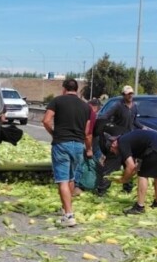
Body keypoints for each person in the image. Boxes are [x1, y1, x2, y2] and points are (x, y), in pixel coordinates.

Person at [42, 78, 91, 227]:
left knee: (62, 179)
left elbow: (46, 120)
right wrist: (88, 148)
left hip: (62, 144)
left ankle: (69, 215)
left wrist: (54, 134)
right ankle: (65, 209)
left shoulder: (57, 101)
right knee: (71, 178)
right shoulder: (86, 107)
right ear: (76, 89)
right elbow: (87, 132)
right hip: (78, 145)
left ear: (64, 88)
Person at [102, 129, 157, 214]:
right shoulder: (128, 139)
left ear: (113, 144)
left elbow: (130, 166)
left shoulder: (122, 142)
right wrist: (132, 172)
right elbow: (135, 165)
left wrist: (123, 179)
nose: (115, 153)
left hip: (156, 147)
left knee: (142, 175)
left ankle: (139, 207)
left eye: (112, 150)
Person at [94, 85, 143, 195]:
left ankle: (127, 189)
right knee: (112, 165)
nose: (130, 96)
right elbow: (105, 117)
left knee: (129, 166)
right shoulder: (118, 106)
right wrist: (110, 130)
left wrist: (143, 128)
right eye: (128, 94)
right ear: (123, 95)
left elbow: (135, 121)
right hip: (118, 140)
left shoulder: (134, 107)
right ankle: (101, 191)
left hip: (130, 140)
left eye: (131, 94)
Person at [73, 98, 103, 194]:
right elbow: (88, 134)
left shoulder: (77, 109)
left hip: (71, 138)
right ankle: (78, 185)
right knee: (81, 161)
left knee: (75, 162)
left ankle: (73, 184)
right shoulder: (91, 113)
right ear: (96, 107)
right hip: (82, 139)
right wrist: (89, 148)